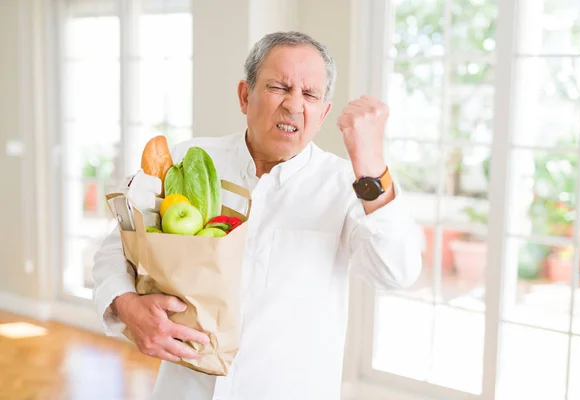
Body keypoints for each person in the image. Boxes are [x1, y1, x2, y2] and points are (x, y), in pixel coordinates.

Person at [92, 31, 422, 400]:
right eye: (279, 87)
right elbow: (114, 248)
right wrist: (126, 304)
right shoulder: (191, 161)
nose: (294, 105)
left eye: (310, 95)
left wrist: (371, 165)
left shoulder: (350, 184)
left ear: (324, 113)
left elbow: (397, 272)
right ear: (244, 96)